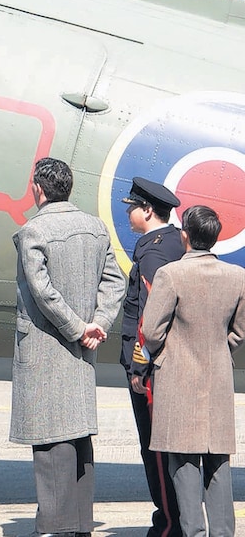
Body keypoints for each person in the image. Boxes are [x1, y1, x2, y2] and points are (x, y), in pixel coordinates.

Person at [10, 157, 125, 537]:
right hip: (82, 353)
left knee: (49, 442)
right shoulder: (95, 228)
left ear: (39, 189)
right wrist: (98, 325)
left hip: (47, 349)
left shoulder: (33, 231)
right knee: (78, 441)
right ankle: (79, 526)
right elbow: (115, 283)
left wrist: (77, 328)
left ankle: (58, 528)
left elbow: (43, 292)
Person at [140, 205, 245, 537]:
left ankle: (194, 533)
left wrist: (165, 357)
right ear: (215, 237)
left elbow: (153, 332)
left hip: (178, 381)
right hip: (217, 381)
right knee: (218, 465)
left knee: (184, 467)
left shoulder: (171, 275)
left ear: (185, 235)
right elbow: (239, 331)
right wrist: (216, 350)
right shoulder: (237, 276)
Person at [118, 177, 184, 537]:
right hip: (165, 365)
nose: (128, 212)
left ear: (147, 210)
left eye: (132, 207)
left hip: (152, 370)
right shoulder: (172, 242)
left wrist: (140, 366)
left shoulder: (153, 251)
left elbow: (151, 315)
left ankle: (169, 526)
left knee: (157, 451)